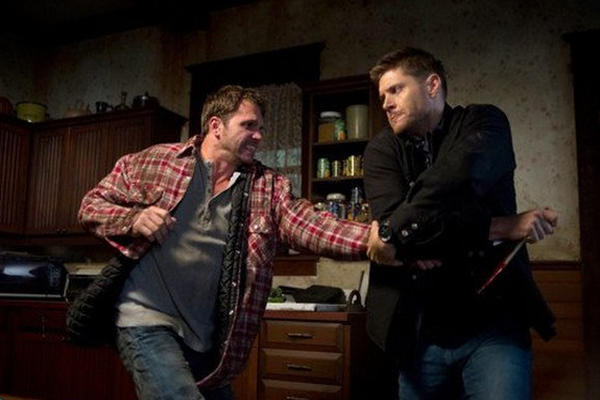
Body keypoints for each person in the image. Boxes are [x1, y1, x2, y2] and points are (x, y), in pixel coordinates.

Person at [78, 85, 372, 400]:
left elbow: (309, 224)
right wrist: (134, 219)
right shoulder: (157, 162)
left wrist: (372, 239)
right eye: (249, 125)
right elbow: (91, 206)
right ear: (216, 126)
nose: (259, 136)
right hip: (144, 316)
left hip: (205, 338)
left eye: (261, 128)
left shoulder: (267, 186)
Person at [363, 47, 559, 400]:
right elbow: (400, 237)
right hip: (418, 330)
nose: (386, 104)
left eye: (396, 90)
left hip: (495, 324)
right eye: (382, 97)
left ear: (432, 85)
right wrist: (501, 227)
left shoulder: (485, 123)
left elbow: (458, 178)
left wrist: (395, 231)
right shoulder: (380, 151)